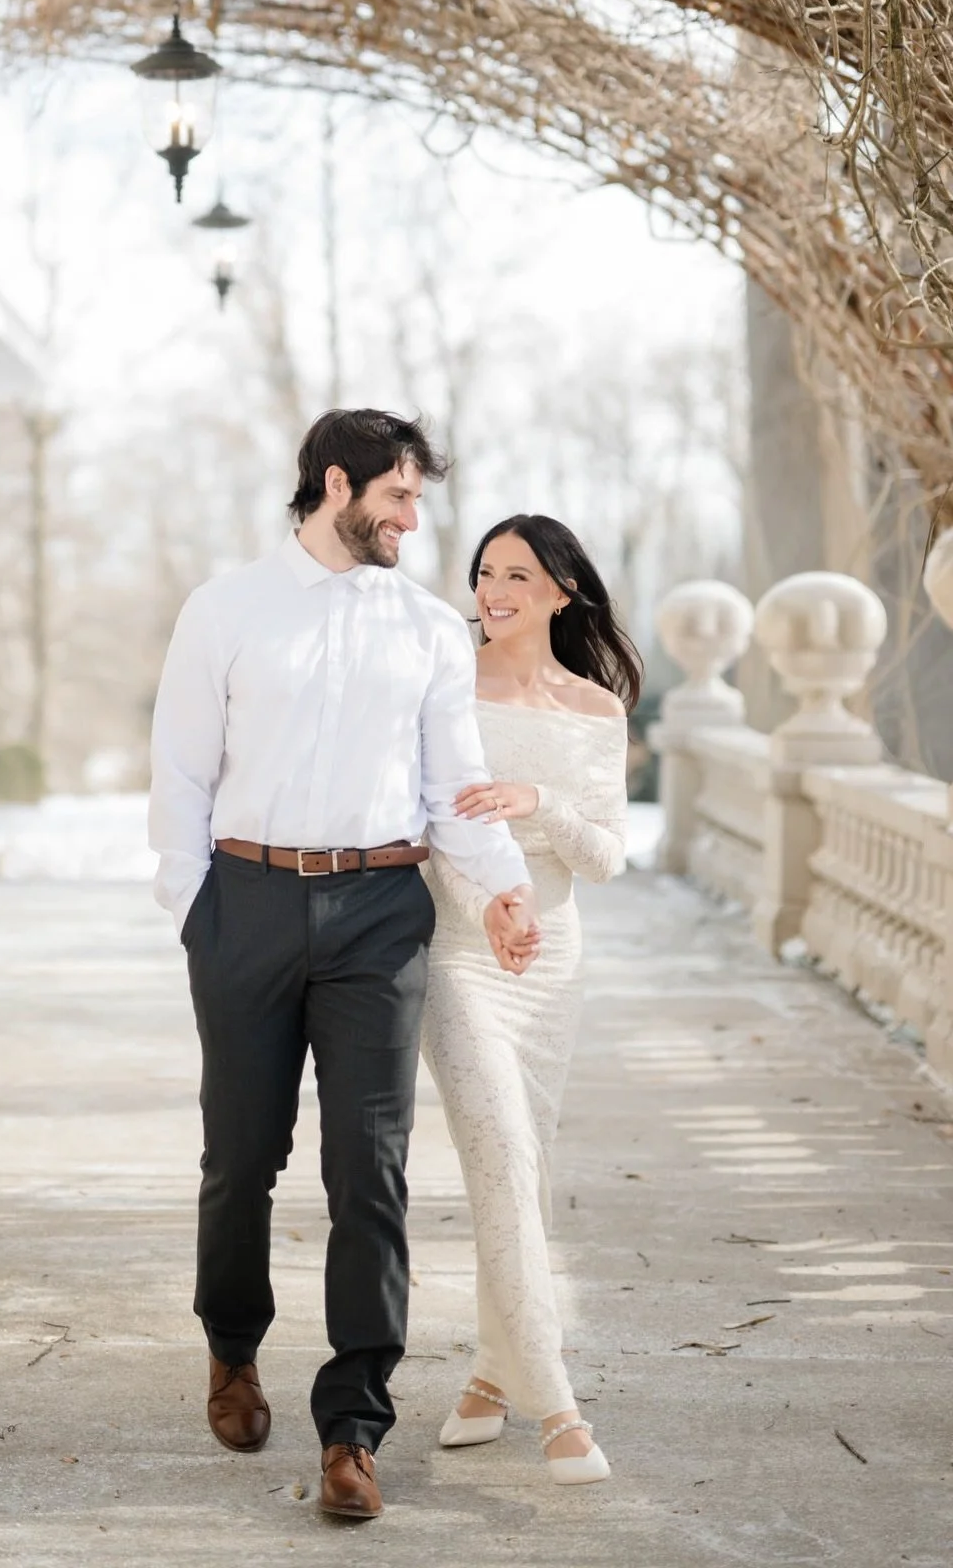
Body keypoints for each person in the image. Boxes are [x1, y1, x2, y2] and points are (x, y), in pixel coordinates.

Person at [148, 411, 540, 1521]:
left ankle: (354, 1427)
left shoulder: (424, 629)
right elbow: (179, 773)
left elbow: (449, 786)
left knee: (370, 1170)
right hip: (248, 902)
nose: (416, 520)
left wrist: (502, 886)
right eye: (401, 498)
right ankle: (232, 1349)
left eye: (419, 500)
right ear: (338, 484)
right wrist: (198, 910)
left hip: (379, 909)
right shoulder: (225, 612)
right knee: (241, 1156)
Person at [421, 513, 640, 1485]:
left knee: (522, 1168)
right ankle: (559, 1406)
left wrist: (537, 802)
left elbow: (605, 857)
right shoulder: (441, 689)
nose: (493, 590)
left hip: (552, 961)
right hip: (463, 950)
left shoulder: (598, 710)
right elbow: (425, 832)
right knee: (503, 1148)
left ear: (563, 591)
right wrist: (491, 899)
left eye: (517, 574)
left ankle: (488, 1377)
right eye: (484, 572)